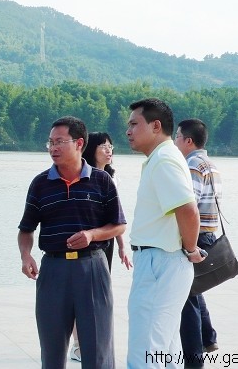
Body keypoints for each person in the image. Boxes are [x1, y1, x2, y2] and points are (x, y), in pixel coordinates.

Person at [18, 116, 127, 369]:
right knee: (52, 351)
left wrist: (92, 235)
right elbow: (26, 229)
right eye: (50, 142)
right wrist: (26, 255)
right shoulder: (40, 183)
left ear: (79, 143)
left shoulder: (102, 181)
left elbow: (119, 225)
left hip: (92, 268)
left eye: (60, 142)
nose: (53, 148)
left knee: (98, 351)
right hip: (53, 270)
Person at [125, 98, 205, 369]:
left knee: (146, 349)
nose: (128, 131)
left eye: (134, 124)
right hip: (162, 260)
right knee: (164, 349)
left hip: (160, 261)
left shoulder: (163, 160)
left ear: (156, 126)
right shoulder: (163, 157)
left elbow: (188, 210)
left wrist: (191, 249)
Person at [69, 131, 132, 362]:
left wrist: (122, 246)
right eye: (103, 146)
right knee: (79, 294)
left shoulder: (111, 179)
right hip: (85, 242)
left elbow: (116, 218)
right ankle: (78, 345)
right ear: (91, 150)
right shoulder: (83, 177)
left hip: (105, 243)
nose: (109, 150)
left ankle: (89, 342)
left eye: (111, 146)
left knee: (97, 293)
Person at [175, 119, 221, 368]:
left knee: (186, 298)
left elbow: (188, 205)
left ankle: (193, 360)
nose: (175, 141)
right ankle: (208, 337)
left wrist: (187, 243)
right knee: (193, 290)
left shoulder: (192, 165)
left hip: (196, 235)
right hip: (208, 234)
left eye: (177, 136)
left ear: (188, 141)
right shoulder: (210, 164)